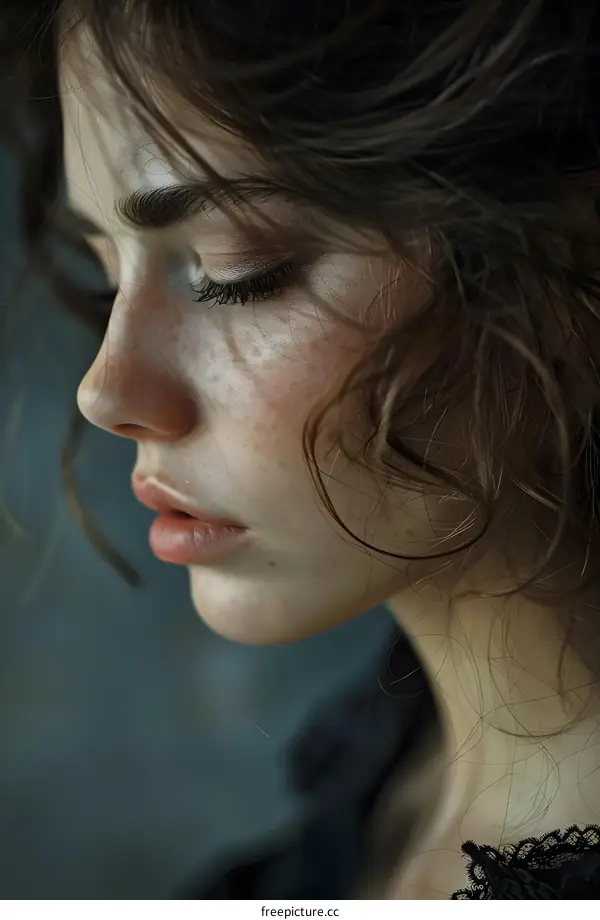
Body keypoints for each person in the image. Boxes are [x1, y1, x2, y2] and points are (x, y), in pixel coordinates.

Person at [3, 0, 600, 898]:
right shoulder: (351, 818)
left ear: (566, 246)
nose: (105, 392)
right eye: (106, 269)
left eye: (235, 270)